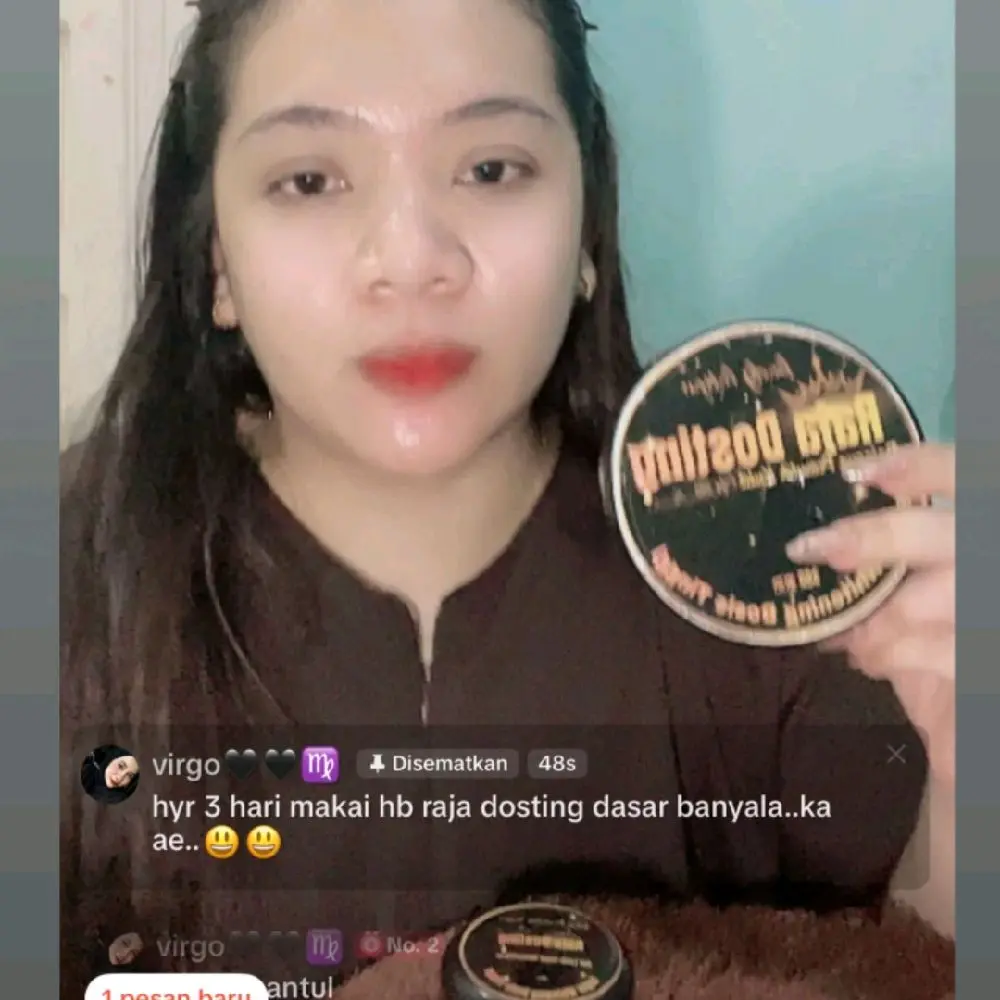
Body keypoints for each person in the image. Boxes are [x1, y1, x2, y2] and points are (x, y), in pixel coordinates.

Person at [60, 0, 955, 991]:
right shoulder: (59, 578)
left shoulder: (771, 572)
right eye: (309, 180)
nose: (412, 261)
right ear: (218, 261)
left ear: (586, 230)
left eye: (490, 169)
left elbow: (913, 950)